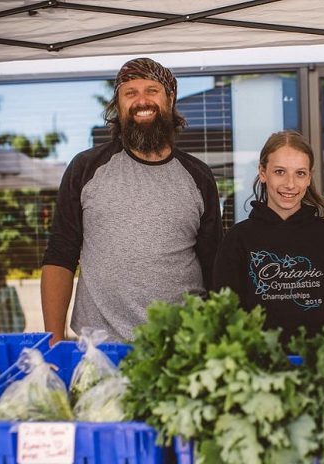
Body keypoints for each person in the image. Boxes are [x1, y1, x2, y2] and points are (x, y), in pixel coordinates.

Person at [41, 57, 223, 344]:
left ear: (170, 99)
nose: (142, 101)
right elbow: (60, 255)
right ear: (119, 103)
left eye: (152, 90)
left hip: (183, 342)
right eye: (130, 92)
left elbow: (214, 264)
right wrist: (52, 338)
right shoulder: (86, 168)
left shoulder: (198, 176)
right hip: (100, 347)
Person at [214, 130, 324, 344]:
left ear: (309, 177)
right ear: (263, 173)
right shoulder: (238, 239)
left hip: (319, 366)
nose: (290, 184)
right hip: (258, 367)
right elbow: (226, 317)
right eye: (280, 172)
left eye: (300, 173)